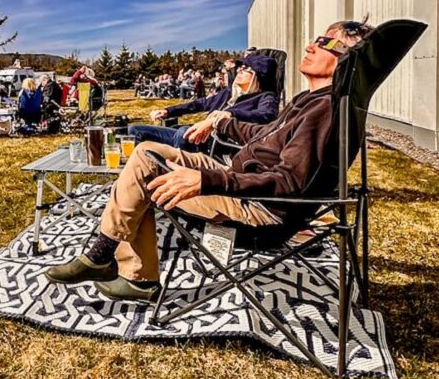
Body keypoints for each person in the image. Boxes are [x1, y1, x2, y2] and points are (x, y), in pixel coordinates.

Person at [45, 21, 374, 302]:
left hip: (258, 207)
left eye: (325, 42)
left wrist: (206, 180)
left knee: (146, 172)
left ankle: (127, 270)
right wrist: (220, 121)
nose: (311, 46)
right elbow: (265, 134)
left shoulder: (325, 110)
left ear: (345, 60)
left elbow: (289, 182)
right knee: (146, 150)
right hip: (238, 180)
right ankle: (111, 258)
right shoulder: (310, 100)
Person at [128, 54, 279, 152]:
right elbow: (199, 104)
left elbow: (267, 116)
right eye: (239, 67)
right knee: (135, 131)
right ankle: (137, 179)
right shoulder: (228, 93)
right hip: (196, 136)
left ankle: (175, 175)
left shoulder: (266, 97)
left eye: (246, 69)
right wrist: (168, 111)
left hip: (216, 144)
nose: (239, 70)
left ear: (258, 76)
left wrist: (230, 114)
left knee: (183, 133)